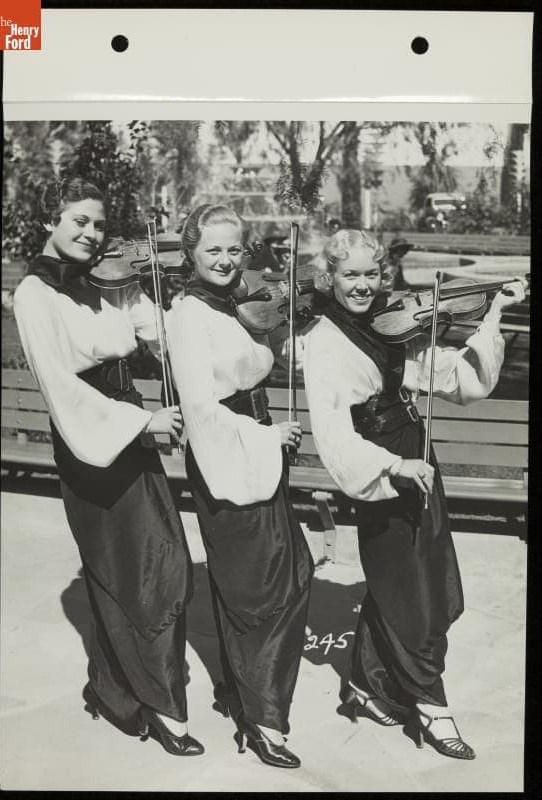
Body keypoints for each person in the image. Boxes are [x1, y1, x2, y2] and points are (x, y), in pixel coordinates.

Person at [301, 228, 526, 761]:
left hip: (419, 459)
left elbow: (455, 380)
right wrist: (393, 466)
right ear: (329, 277)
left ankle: (364, 685)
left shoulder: (393, 325)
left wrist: (494, 312)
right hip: (384, 469)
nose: (362, 285)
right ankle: (430, 703)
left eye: (370, 274)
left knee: (420, 580)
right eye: (349, 274)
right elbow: (334, 436)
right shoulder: (325, 341)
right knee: (413, 593)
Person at [13, 176, 203, 757]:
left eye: (99, 224)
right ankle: (151, 703)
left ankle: (120, 690)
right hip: (92, 440)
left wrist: (173, 302)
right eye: (80, 221)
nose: (93, 234)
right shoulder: (33, 294)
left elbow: (162, 335)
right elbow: (60, 388)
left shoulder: (108, 283)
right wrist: (142, 424)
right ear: (52, 218)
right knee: (126, 570)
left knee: (160, 564)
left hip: (131, 426)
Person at [166, 204, 314, 769]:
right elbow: (200, 409)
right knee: (263, 588)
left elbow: (258, 365)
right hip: (228, 451)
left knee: (284, 573)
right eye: (214, 250)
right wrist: (266, 435)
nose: (226, 260)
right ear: (191, 253)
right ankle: (263, 721)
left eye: (234, 249)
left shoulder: (238, 304)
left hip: (258, 445)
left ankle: (242, 692)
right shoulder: (187, 314)